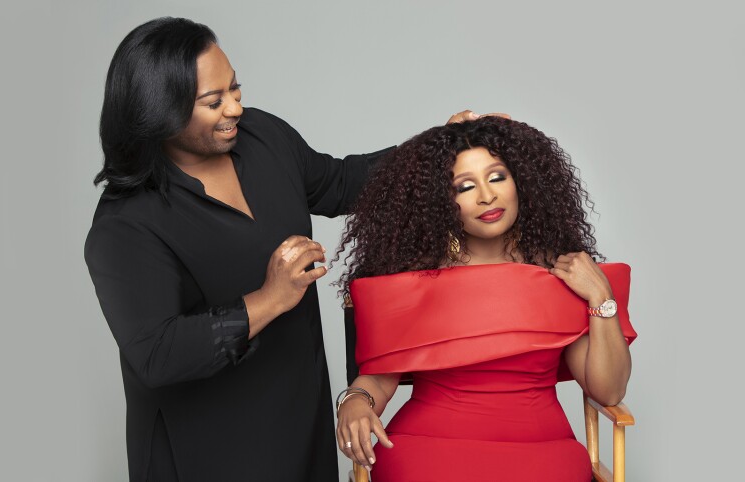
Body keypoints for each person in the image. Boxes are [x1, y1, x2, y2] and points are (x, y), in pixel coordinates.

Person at [84, 17, 491, 482]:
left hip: (297, 415)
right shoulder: (126, 222)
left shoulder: (263, 138)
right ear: (159, 112)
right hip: (206, 446)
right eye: (213, 101)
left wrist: (437, 149)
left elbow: (339, 183)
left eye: (235, 89)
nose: (235, 108)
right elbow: (157, 355)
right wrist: (270, 299)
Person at [333, 117, 638, 480]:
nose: (486, 196)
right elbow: (380, 379)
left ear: (521, 181)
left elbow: (608, 389)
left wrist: (601, 296)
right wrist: (354, 402)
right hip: (428, 445)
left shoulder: (561, 270)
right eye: (464, 186)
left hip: (542, 449)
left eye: (497, 177)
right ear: (441, 200)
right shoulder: (416, 275)